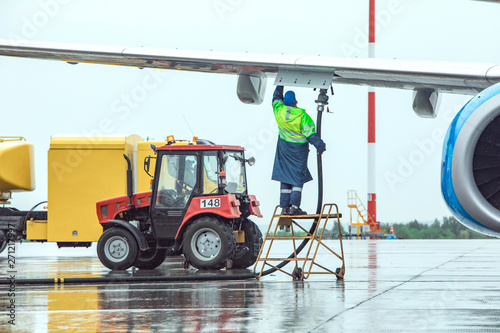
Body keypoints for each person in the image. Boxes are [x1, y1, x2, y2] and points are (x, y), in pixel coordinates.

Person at [271, 85, 326, 215]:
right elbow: (311, 135)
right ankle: (294, 207)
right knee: (297, 179)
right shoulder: (302, 116)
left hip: (284, 151)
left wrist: (280, 84)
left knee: (285, 177)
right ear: (296, 102)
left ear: (284, 102)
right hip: (298, 153)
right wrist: (320, 146)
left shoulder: (279, 111)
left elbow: (275, 99)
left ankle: (284, 207)